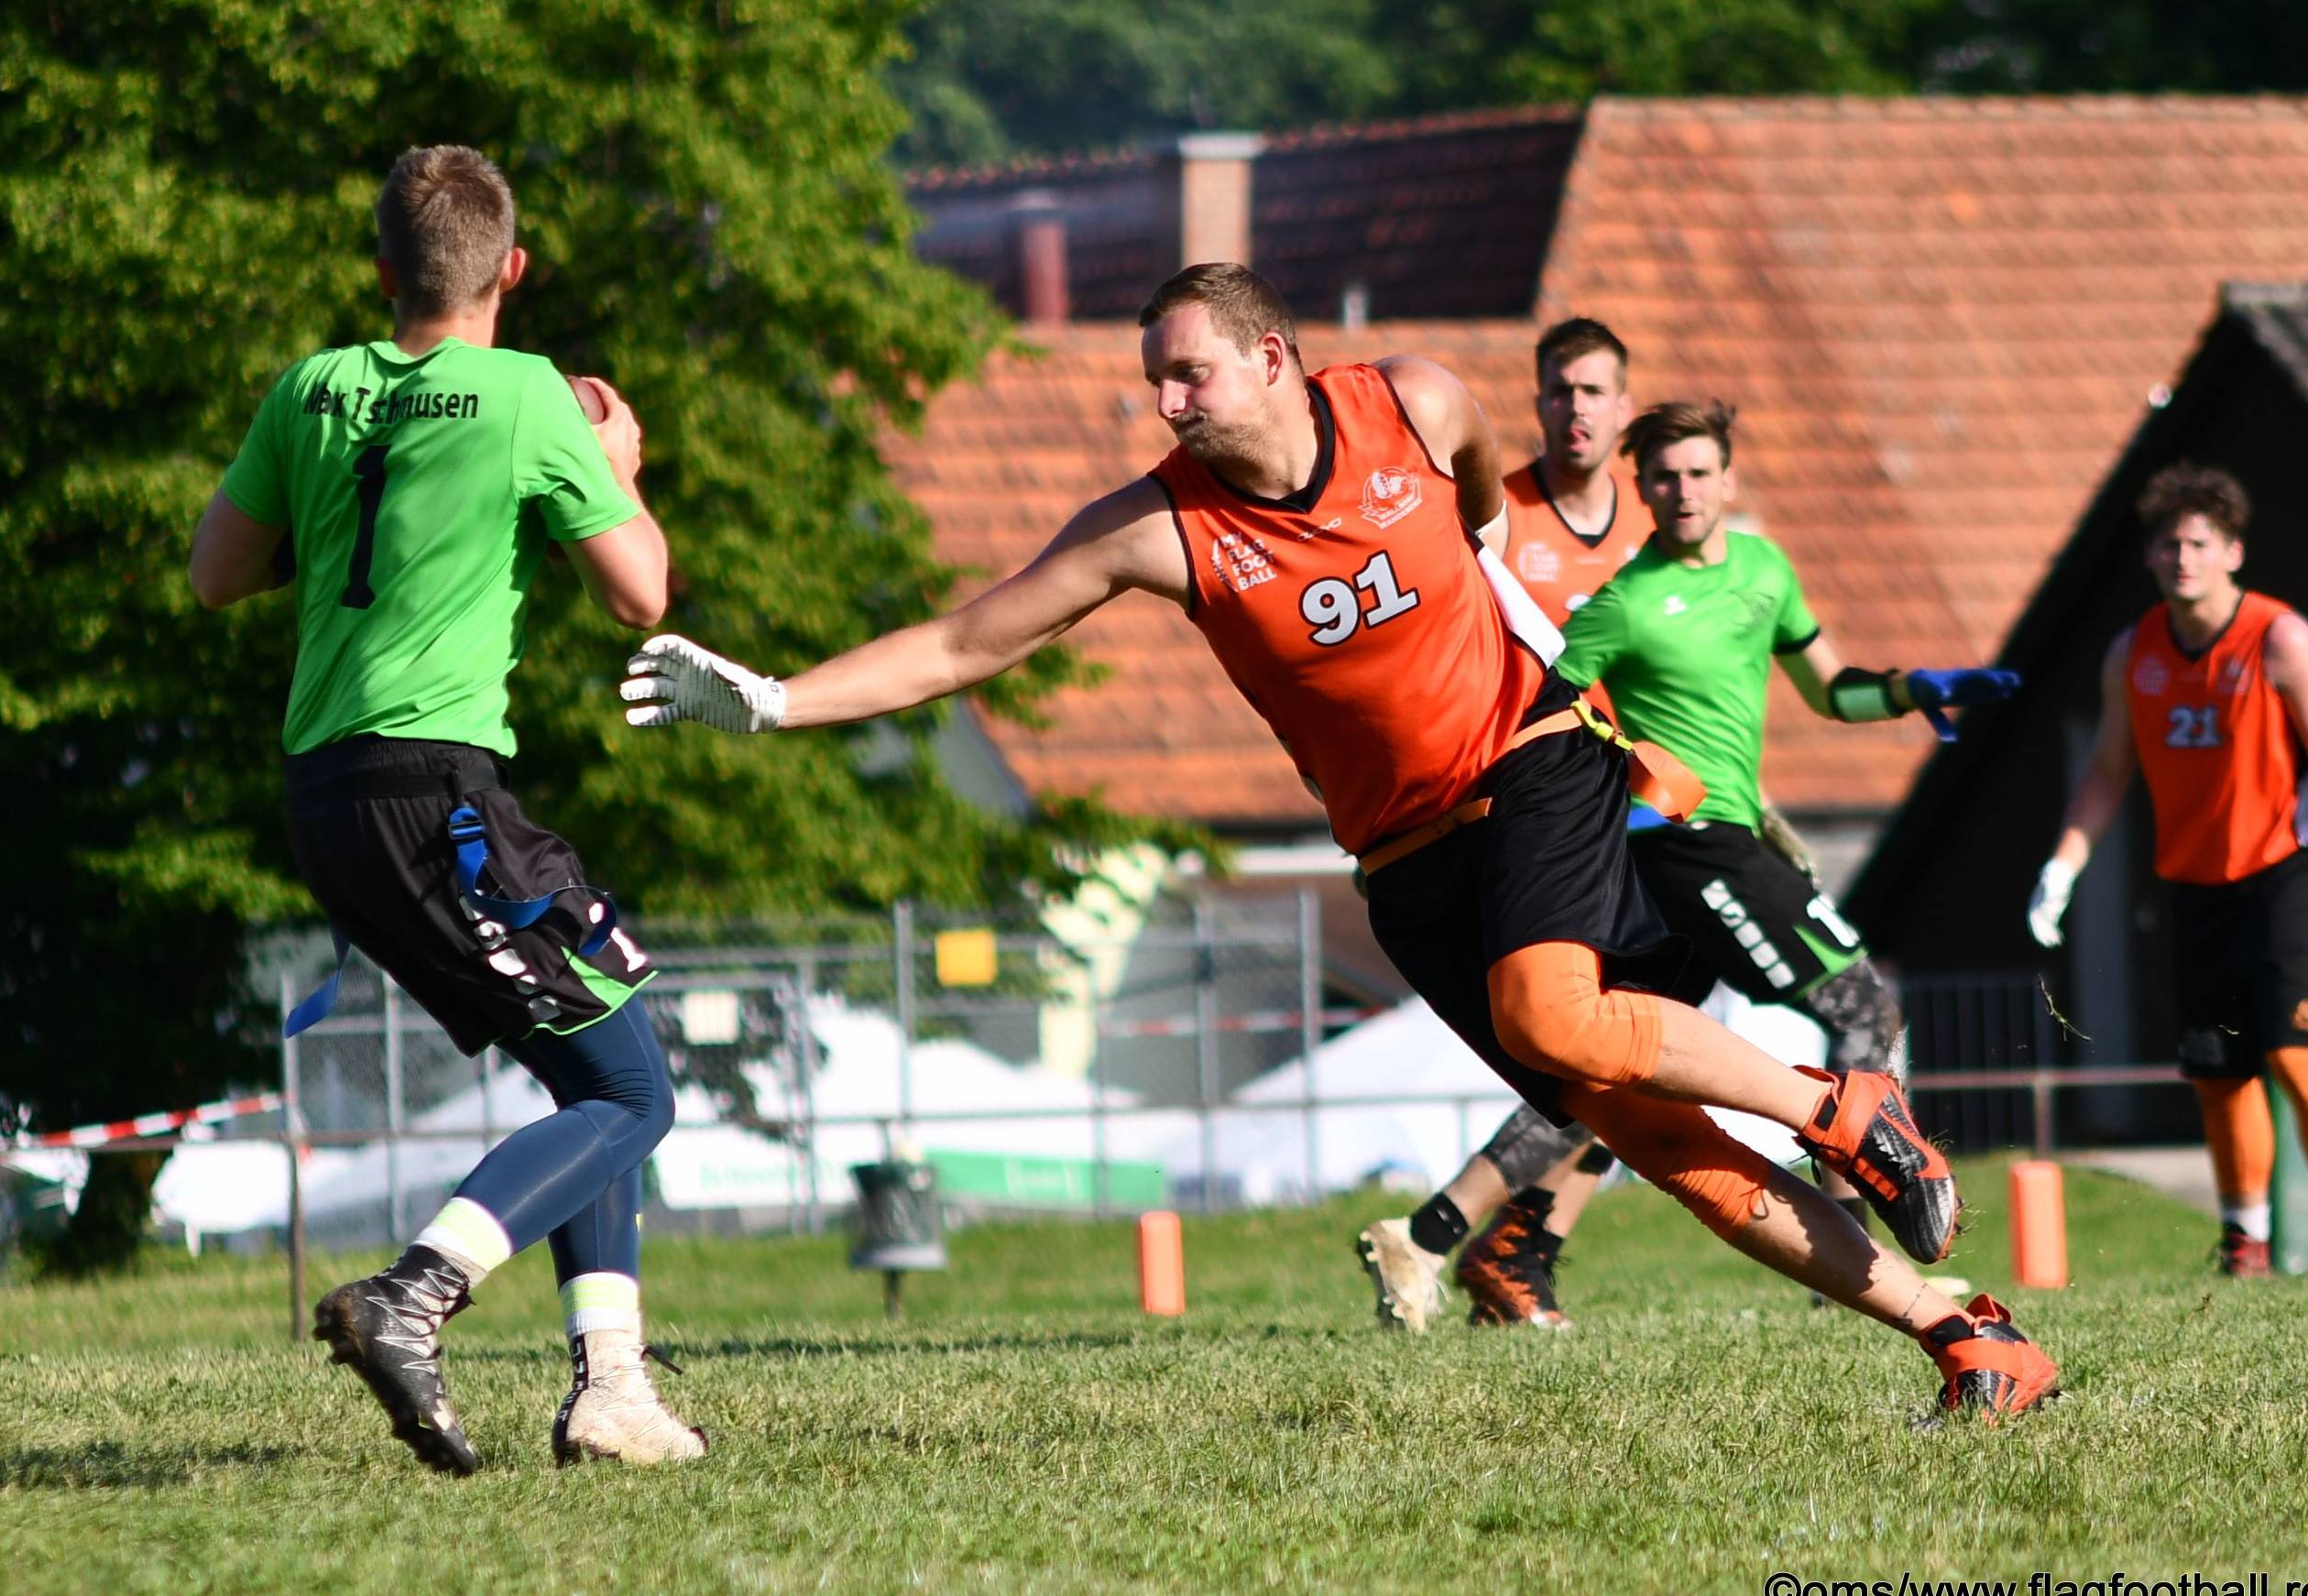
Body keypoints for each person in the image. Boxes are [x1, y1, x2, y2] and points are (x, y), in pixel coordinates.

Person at [618, 263, 2058, 1424]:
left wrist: (1494, 567)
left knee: (1546, 1009)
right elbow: (959, 637)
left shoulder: (1413, 403)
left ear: (1272, 358)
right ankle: (1966, 1336)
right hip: (1404, 860)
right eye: (1151, 379)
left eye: (1187, 369)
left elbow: (1487, 496)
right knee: (1652, 1138)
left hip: (1534, 755)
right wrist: (775, 700)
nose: (1164, 399)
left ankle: (1840, 1104)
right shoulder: (1159, 529)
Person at [189, 145, 706, 1472]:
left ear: (383, 274)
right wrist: (620, 460)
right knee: (631, 1091)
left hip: (326, 794)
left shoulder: (312, 387)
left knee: (598, 1052)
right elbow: (641, 594)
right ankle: (412, 1296)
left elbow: (216, 571)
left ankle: (614, 1387)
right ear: (510, 272)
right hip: (438, 788)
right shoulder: (530, 396)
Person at [1362, 391, 2013, 1333]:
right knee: (1862, 1007)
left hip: (1734, 835)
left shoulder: (1763, 568)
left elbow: (1830, 690)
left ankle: (1487, 1238)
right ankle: (1861, 1244)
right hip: (1673, 846)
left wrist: (1916, 689)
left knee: (1633, 1062)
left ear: (1728, 479)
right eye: (1663, 476)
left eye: (1699, 471)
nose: (1682, 490)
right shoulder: (1624, 602)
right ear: (1645, 489)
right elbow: (1533, 712)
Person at [1357, 316, 1645, 1330]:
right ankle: (1446, 1234)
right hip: (1531, 803)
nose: (1576, 409)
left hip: (1638, 799)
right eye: (1559, 390)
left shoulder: (1652, 523)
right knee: (1592, 1041)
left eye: (1594, 391)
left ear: (1624, 406)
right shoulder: (1499, 510)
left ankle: (1507, 1256)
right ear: (1536, 401)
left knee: (1613, 1048)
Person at [2027, 463, 2308, 1278]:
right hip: (2192, 882)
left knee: (2294, 1055)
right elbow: (2110, 769)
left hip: (2282, 872)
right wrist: (2064, 865)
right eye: (2166, 544)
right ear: (2149, 556)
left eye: (2198, 543)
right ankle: (2243, 1240)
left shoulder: (2280, 638)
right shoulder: (2134, 652)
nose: (2181, 557)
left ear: (2232, 552)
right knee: (2219, 1070)